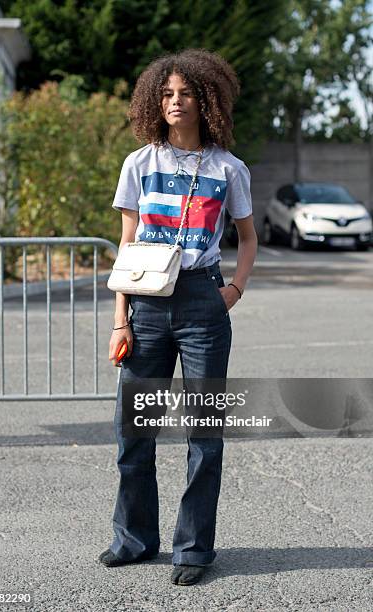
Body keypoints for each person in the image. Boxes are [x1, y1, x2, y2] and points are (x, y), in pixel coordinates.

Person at [99, 48, 258, 586]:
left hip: (201, 304)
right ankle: (134, 540)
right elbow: (126, 244)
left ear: (205, 99)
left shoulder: (227, 168)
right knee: (135, 432)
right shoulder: (139, 164)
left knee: (203, 433)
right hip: (144, 304)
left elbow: (248, 237)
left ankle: (194, 549)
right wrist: (121, 319)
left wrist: (233, 290)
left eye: (185, 93)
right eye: (166, 94)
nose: (174, 102)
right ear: (153, 100)